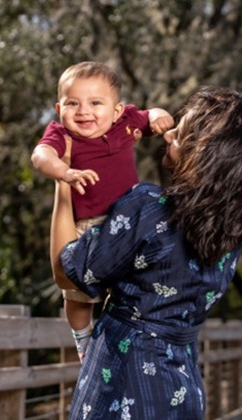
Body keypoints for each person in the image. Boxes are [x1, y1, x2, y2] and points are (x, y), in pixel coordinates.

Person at [50, 86, 242, 418]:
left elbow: (67, 272)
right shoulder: (231, 233)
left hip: (124, 385)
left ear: (204, 154)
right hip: (182, 389)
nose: (167, 136)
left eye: (179, 136)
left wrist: (63, 178)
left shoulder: (148, 208)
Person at [32, 62, 174, 361]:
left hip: (129, 225)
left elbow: (152, 116)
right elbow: (40, 155)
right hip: (87, 227)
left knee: (127, 287)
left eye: (96, 103)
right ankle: (82, 339)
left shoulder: (125, 124)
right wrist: (64, 171)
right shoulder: (63, 135)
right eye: (73, 103)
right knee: (79, 297)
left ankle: (115, 335)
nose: (84, 111)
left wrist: (161, 116)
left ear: (117, 110)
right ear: (59, 109)